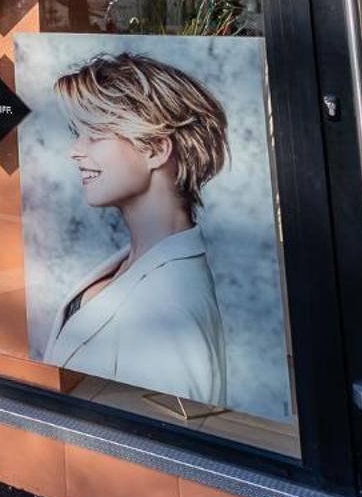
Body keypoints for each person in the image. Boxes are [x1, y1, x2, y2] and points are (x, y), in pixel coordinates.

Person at [40, 52, 231, 407]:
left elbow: (168, 449)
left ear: (157, 149)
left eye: (95, 135)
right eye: (77, 135)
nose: (75, 152)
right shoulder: (141, 262)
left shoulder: (170, 309)